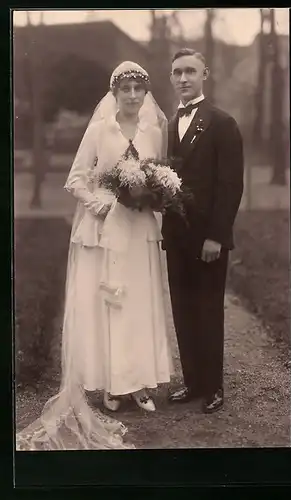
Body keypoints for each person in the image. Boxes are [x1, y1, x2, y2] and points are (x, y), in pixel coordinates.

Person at [16, 61, 172, 451]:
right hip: (106, 231)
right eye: (126, 90)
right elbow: (75, 178)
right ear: (115, 94)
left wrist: (158, 192)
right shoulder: (102, 131)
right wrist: (97, 200)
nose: (133, 96)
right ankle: (112, 385)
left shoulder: (154, 131)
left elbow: (158, 176)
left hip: (141, 232)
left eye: (139, 88)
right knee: (111, 304)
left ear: (145, 92)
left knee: (140, 303)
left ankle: (140, 384)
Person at [162, 48, 244, 414]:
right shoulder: (169, 124)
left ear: (204, 74)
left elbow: (231, 186)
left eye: (190, 71)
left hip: (207, 238)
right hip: (177, 236)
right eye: (177, 72)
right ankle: (193, 382)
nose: (183, 78)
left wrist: (216, 235)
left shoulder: (222, 123)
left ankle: (213, 387)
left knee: (208, 310)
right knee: (182, 309)